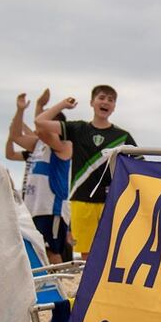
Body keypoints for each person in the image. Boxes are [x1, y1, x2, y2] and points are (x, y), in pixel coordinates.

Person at [36, 85, 136, 257]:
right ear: (92, 102)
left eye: (111, 100)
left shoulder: (122, 136)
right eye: (102, 98)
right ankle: (86, 284)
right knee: (87, 256)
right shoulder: (78, 128)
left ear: (114, 107)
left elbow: (139, 165)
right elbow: (40, 122)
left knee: (111, 253)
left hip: (110, 201)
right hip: (80, 200)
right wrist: (62, 105)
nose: (106, 102)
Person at [8, 90, 71, 264]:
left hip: (51, 208)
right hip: (32, 207)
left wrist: (40, 106)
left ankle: (61, 288)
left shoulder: (64, 145)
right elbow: (15, 136)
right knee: (36, 250)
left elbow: (41, 127)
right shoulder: (38, 144)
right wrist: (20, 110)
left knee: (53, 252)